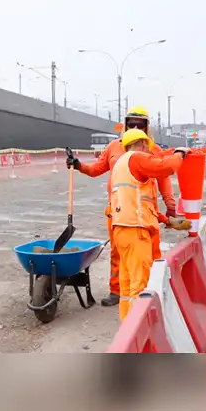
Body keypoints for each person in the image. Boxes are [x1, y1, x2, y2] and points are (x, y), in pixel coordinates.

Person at [69, 105, 178, 307]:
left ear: (147, 126)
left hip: (145, 214)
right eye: (132, 123)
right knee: (118, 253)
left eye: (140, 124)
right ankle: (117, 291)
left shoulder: (153, 150)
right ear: (125, 125)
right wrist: (78, 165)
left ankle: (152, 290)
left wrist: (170, 207)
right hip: (118, 212)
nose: (135, 127)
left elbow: (164, 179)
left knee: (151, 255)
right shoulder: (113, 148)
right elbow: (96, 169)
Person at [110, 128, 189, 321]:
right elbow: (166, 167)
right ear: (144, 144)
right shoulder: (136, 158)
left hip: (122, 230)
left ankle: (127, 331)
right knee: (140, 286)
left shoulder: (121, 165)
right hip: (136, 232)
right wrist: (180, 153)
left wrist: (166, 220)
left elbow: (140, 203)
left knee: (127, 286)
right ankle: (139, 337)